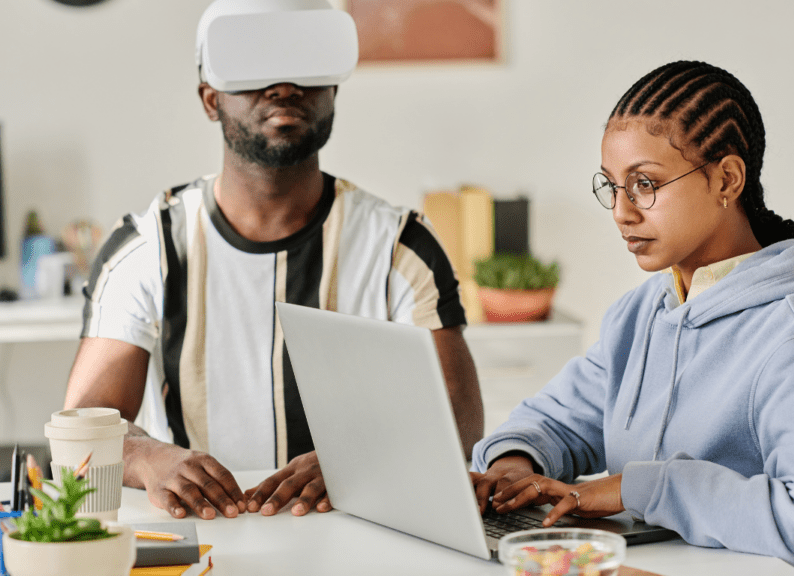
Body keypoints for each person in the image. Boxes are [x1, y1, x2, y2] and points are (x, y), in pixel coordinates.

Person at [470, 61, 794, 576]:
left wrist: (638, 488)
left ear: (727, 179)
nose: (622, 212)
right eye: (612, 186)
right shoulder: (644, 313)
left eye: (645, 183)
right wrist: (515, 465)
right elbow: (563, 418)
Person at [63, 0, 483, 522]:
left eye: (306, 63)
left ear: (334, 92)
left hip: (360, 527)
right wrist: (149, 457)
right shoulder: (147, 249)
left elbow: (461, 420)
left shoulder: (400, 245)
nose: (283, 86)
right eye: (252, 64)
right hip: (209, 531)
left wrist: (357, 459)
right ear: (210, 99)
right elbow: (84, 425)